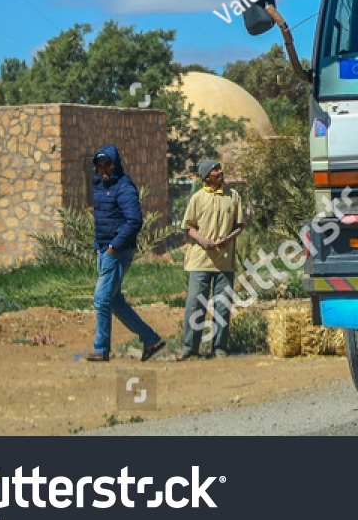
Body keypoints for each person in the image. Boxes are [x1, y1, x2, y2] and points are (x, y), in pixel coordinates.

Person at [86, 145, 165, 362]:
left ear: (115, 165)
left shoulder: (124, 187)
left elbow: (134, 221)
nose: (103, 170)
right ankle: (150, 339)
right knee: (114, 302)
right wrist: (98, 246)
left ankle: (101, 349)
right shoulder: (99, 186)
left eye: (107, 165)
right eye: (99, 166)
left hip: (117, 252)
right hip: (103, 251)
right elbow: (101, 220)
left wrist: (114, 247)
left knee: (101, 299)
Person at [176, 158, 244, 360]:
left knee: (222, 306)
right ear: (206, 177)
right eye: (216, 170)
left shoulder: (233, 196)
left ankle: (219, 347)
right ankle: (190, 347)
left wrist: (228, 239)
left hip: (225, 262)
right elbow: (188, 227)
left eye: (220, 168)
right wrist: (203, 241)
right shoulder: (198, 198)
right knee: (195, 304)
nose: (221, 172)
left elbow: (239, 225)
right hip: (200, 261)